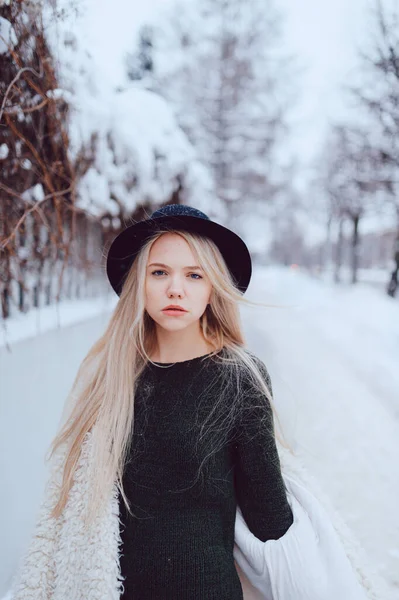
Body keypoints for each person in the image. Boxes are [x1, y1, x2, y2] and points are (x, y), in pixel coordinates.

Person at [12, 203, 296, 599]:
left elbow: (269, 520)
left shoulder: (239, 378)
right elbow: (69, 511)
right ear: (138, 282)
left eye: (194, 275)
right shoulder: (108, 375)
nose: (175, 288)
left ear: (213, 287)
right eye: (159, 272)